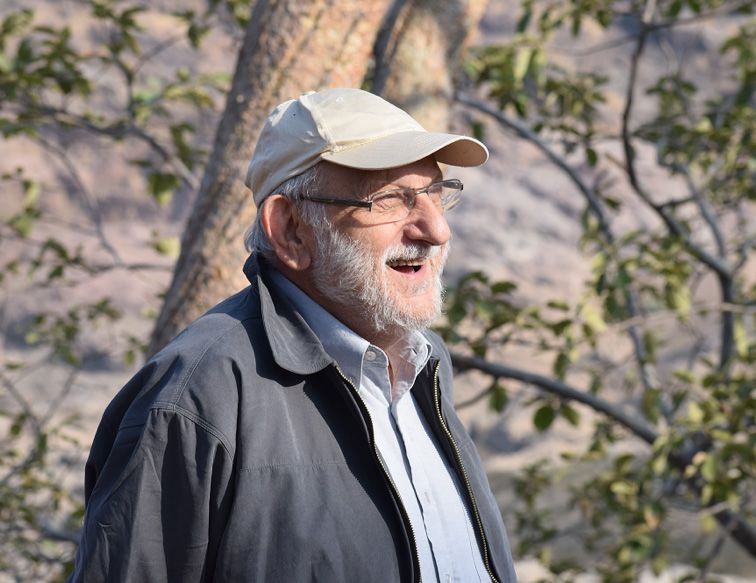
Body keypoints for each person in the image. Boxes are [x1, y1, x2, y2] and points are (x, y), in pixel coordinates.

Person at [69, 88, 517, 582]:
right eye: (391, 199)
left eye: (435, 194)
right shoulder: (196, 396)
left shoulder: (424, 364)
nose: (436, 230)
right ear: (290, 229)